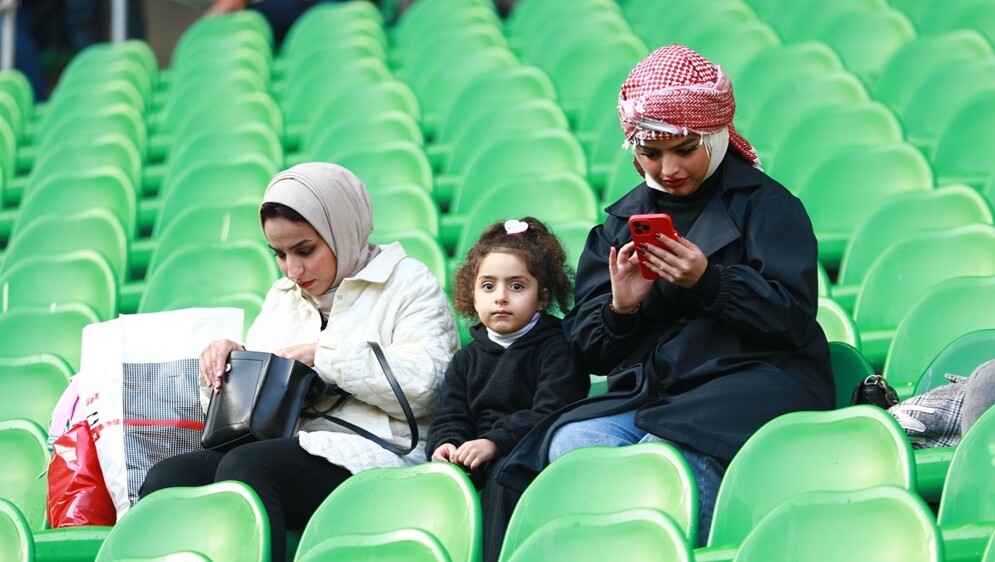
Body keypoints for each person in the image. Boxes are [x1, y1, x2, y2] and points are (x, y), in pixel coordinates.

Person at [495, 44, 835, 546]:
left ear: (716, 137)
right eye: (650, 153)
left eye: (683, 150)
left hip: (756, 384)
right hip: (659, 393)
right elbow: (589, 354)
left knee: (668, 449)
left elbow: (792, 319)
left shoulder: (769, 206)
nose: (667, 169)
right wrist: (620, 308)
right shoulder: (618, 228)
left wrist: (711, 282)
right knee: (572, 444)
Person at [139, 162, 459, 562]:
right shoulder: (282, 296)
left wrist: (320, 355)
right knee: (168, 479)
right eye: (280, 254)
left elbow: (429, 387)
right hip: (290, 448)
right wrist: (228, 368)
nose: (293, 270)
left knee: (247, 469)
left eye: (305, 250)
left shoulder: (410, 283)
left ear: (342, 230)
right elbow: (254, 412)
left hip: (382, 454)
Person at [426, 217, 589, 560]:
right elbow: (449, 415)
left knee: (502, 476)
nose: (500, 297)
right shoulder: (466, 359)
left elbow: (553, 411)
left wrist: (493, 443)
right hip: (475, 456)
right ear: (472, 294)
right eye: (488, 286)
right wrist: (446, 445)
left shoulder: (556, 347)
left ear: (542, 297)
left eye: (516, 286)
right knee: (441, 485)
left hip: (528, 452)